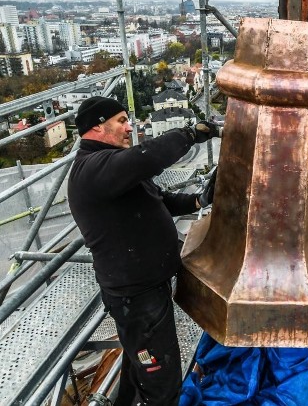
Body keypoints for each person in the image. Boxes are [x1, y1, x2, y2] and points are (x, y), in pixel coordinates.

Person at [68, 96, 219, 406]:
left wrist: (199, 201)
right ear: (98, 125)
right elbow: (147, 158)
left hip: (145, 291)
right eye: (122, 121)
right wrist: (190, 134)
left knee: (142, 369)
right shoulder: (93, 169)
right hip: (136, 300)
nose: (129, 128)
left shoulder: (113, 170)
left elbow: (159, 200)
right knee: (161, 383)